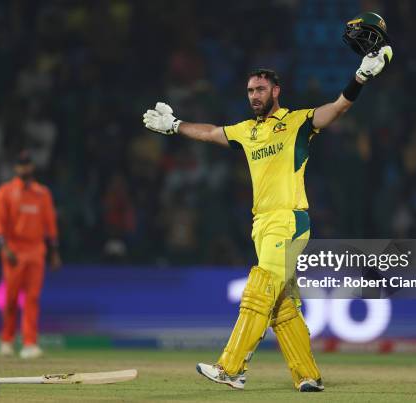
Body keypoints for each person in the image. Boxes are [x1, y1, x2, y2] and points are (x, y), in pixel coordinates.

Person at [143, 22, 392, 393]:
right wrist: (175, 125)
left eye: (260, 89)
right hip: (262, 224)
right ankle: (308, 376)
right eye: (249, 90)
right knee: (282, 305)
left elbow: (336, 109)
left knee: (259, 287)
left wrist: (359, 78)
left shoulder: (296, 122)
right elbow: (212, 132)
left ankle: (231, 368)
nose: (254, 95)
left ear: (276, 90)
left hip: (289, 220)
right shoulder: (247, 130)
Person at [0, 150, 62, 359]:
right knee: (11, 298)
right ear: (16, 168)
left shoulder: (42, 193)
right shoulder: (5, 192)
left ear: (32, 167)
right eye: (21, 164)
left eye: (28, 164)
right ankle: (7, 340)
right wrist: (4, 247)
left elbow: (50, 224)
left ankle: (30, 343)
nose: (25, 168)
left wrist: (54, 252)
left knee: (32, 298)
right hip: (13, 250)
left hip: (36, 251)